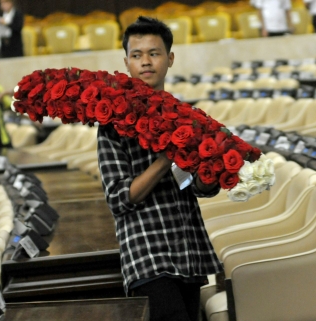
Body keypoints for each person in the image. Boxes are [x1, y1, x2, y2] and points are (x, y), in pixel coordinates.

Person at [96, 17, 222, 321]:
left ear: (170, 59)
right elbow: (119, 199)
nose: (146, 62)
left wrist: (209, 169)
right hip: (146, 254)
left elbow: (201, 188)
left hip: (187, 249)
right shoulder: (112, 124)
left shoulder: (186, 116)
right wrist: (165, 158)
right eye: (137, 55)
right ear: (126, 62)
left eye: (154, 53)